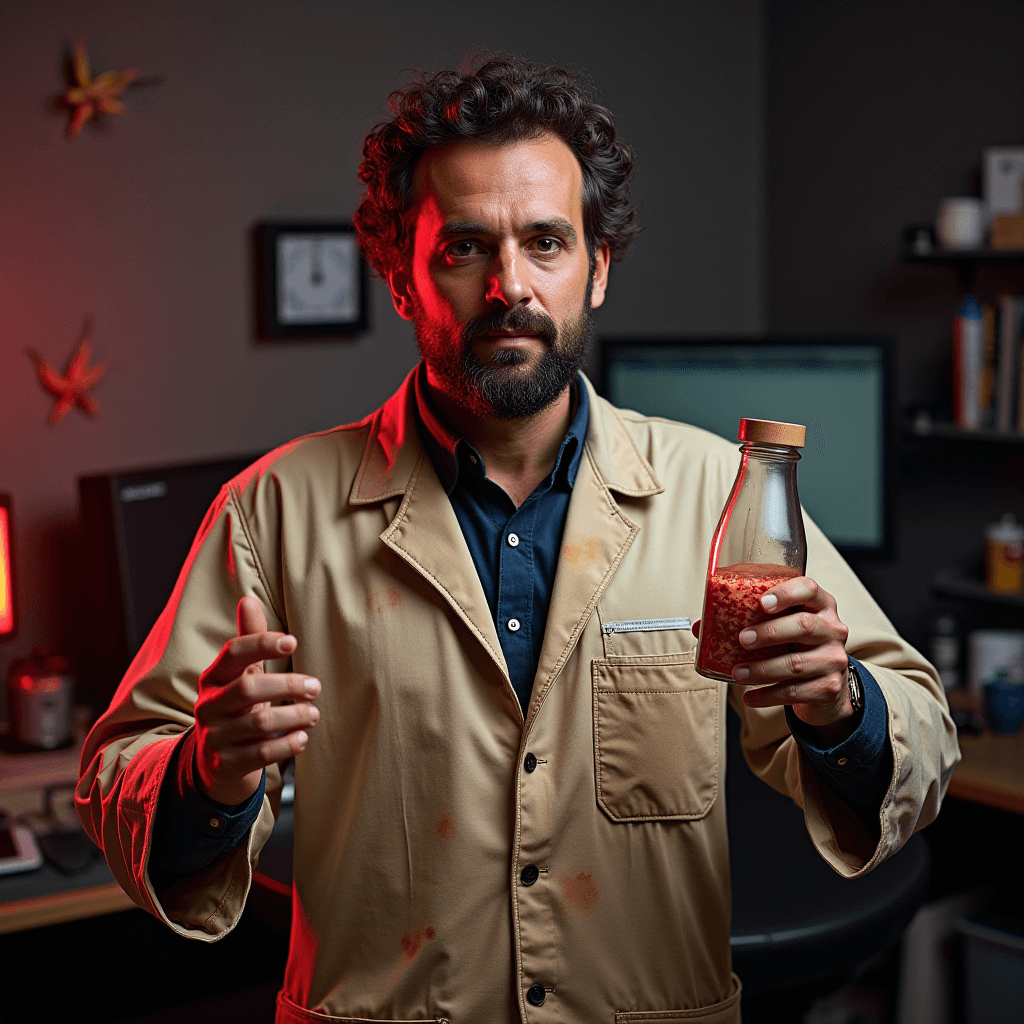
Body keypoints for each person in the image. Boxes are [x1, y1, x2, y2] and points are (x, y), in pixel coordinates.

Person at [76, 56, 959, 1024]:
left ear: (599, 267)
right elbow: (119, 784)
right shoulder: (273, 509)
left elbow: (918, 744)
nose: (509, 286)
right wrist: (211, 765)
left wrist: (840, 708)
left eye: (546, 242)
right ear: (400, 278)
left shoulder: (720, 492)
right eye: (462, 247)